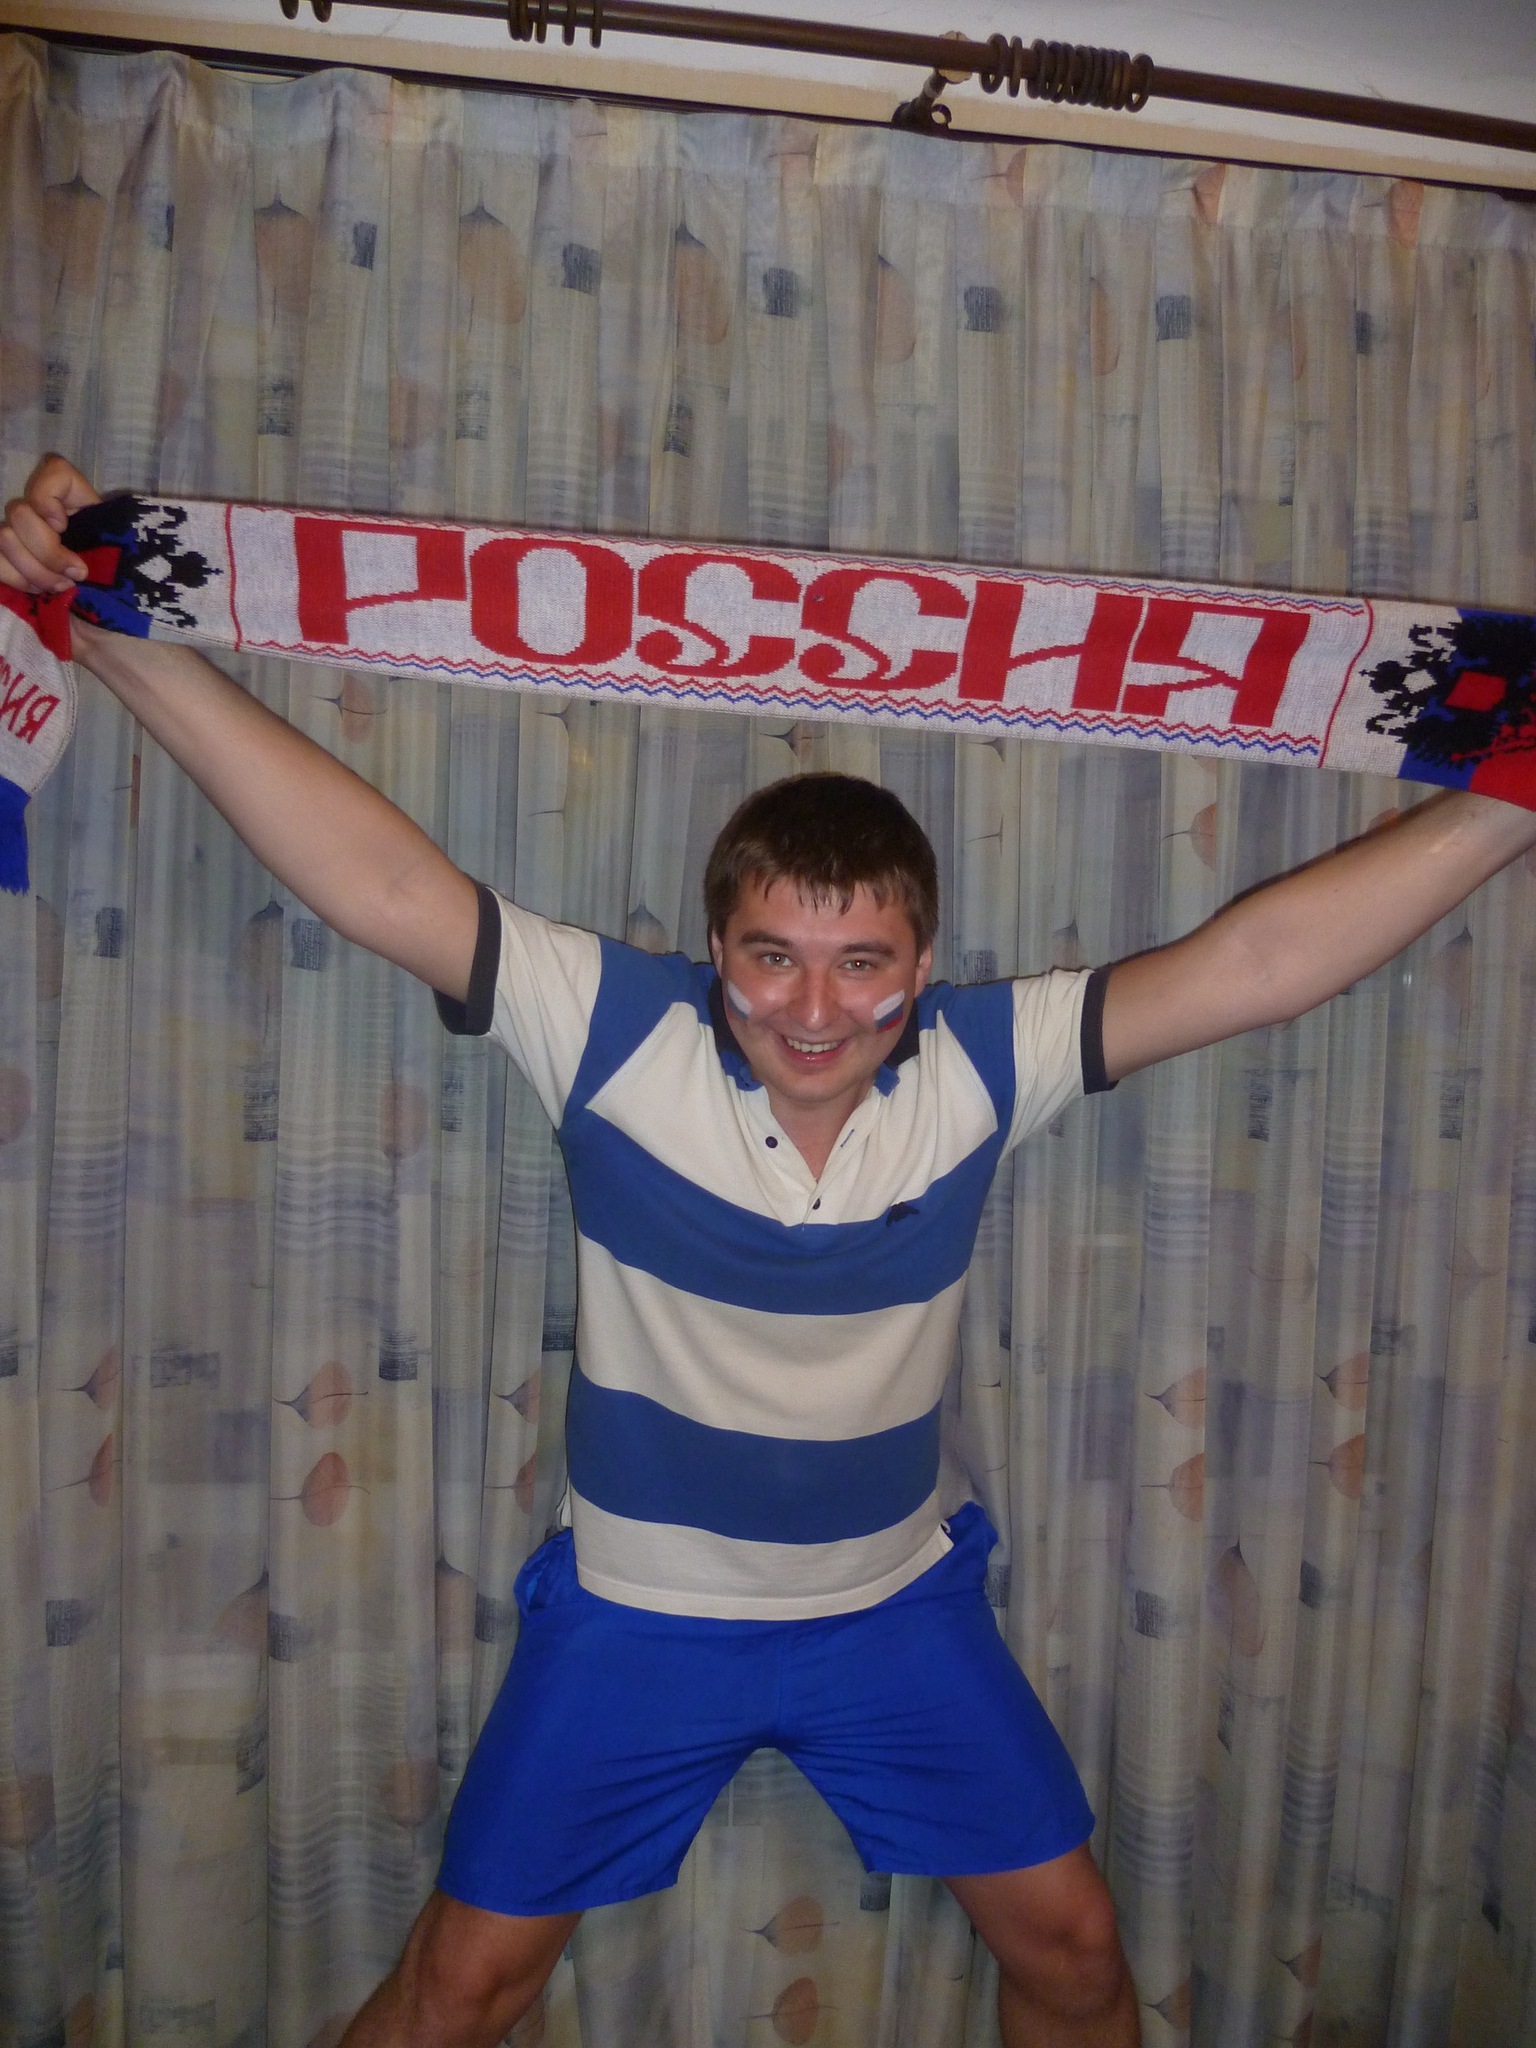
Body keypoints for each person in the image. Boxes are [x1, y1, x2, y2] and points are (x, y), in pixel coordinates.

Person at [6, 456, 1535, 2048]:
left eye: (861, 963)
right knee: (463, 1990)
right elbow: (379, 878)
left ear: (920, 967)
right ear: (715, 950)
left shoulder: (981, 1064)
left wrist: (1516, 792)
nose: (814, 1011)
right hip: (639, 1620)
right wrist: (107, 631)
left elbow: (1261, 960)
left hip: (892, 1616)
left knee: (1079, 1957)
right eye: (773, 959)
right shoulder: (614, 1032)